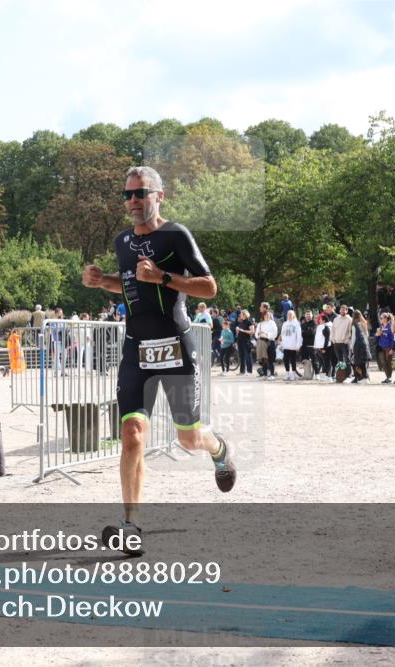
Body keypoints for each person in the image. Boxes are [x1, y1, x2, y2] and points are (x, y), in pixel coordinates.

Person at [80, 165, 236, 553]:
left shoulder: (176, 235)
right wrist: (105, 283)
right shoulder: (122, 242)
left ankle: (219, 449)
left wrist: (164, 278)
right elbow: (132, 283)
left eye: (141, 193)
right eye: (127, 194)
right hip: (136, 349)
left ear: (159, 196)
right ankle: (130, 525)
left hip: (176, 346)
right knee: (132, 436)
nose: (133, 201)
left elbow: (210, 287)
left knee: (188, 438)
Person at [330, 304, 353, 380]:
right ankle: (341, 376)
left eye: (344, 310)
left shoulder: (349, 319)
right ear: (339, 310)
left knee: (347, 359)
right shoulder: (336, 319)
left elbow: (350, 331)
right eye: (341, 309)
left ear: (346, 311)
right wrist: (333, 339)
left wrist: (347, 340)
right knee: (340, 361)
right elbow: (333, 330)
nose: (342, 311)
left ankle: (349, 375)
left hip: (345, 343)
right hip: (336, 342)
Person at [255, 308, 278, 379]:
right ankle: (265, 375)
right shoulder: (260, 324)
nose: (267, 316)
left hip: (270, 342)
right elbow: (256, 334)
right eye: (266, 315)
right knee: (263, 359)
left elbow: (275, 333)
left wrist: (266, 334)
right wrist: (259, 334)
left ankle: (272, 375)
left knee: (271, 359)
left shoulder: (272, 323)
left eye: (268, 315)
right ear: (263, 316)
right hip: (262, 342)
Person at [350, 310, 371, 383]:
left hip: (357, 345)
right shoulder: (364, 323)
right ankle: (365, 377)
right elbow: (366, 335)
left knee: (357, 362)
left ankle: (361, 377)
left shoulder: (354, 325)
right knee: (363, 362)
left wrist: (351, 347)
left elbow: (353, 338)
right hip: (365, 344)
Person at [279, 310, 301, 381]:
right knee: (286, 360)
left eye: (291, 314)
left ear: (293, 315)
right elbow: (282, 335)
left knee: (293, 360)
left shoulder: (296, 324)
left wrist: (298, 345)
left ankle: (293, 374)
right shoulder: (285, 324)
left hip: (293, 346)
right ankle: (287, 373)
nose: (289, 316)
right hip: (286, 345)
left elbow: (299, 335)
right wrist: (281, 344)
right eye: (288, 314)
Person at [376, 312, 395, 383]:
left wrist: (393, 348)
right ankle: (387, 377)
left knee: (388, 362)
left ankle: (390, 378)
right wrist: (378, 334)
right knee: (384, 363)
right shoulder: (381, 327)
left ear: (386, 319)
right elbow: (377, 338)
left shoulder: (390, 327)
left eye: (382, 318)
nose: (380, 319)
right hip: (382, 347)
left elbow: (392, 338)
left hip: (388, 347)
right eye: (380, 318)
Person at [235, 309, 255, 375]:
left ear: (245, 315)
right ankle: (242, 371)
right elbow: (239, 332)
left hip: (246, 341)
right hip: (240, 340)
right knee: (241, 356)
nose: (240, 315)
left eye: (241, 314)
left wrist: (243, 330)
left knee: (247, 356)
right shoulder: (241, 322)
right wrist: (238, 331)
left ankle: (249, 371)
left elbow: (252, 332)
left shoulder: (249, 322)